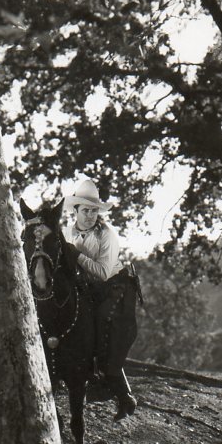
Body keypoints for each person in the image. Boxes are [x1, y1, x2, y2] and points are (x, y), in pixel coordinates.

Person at [63, 179, 138, 420]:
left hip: (114, 287)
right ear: (75, 211)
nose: (90, 216)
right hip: (87, 288)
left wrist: (76, 256)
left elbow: (104, 272)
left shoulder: (106, 235)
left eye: (94, 211)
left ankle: (115, 389)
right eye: (85, 210)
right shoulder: (67, 232)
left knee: (105, 332)